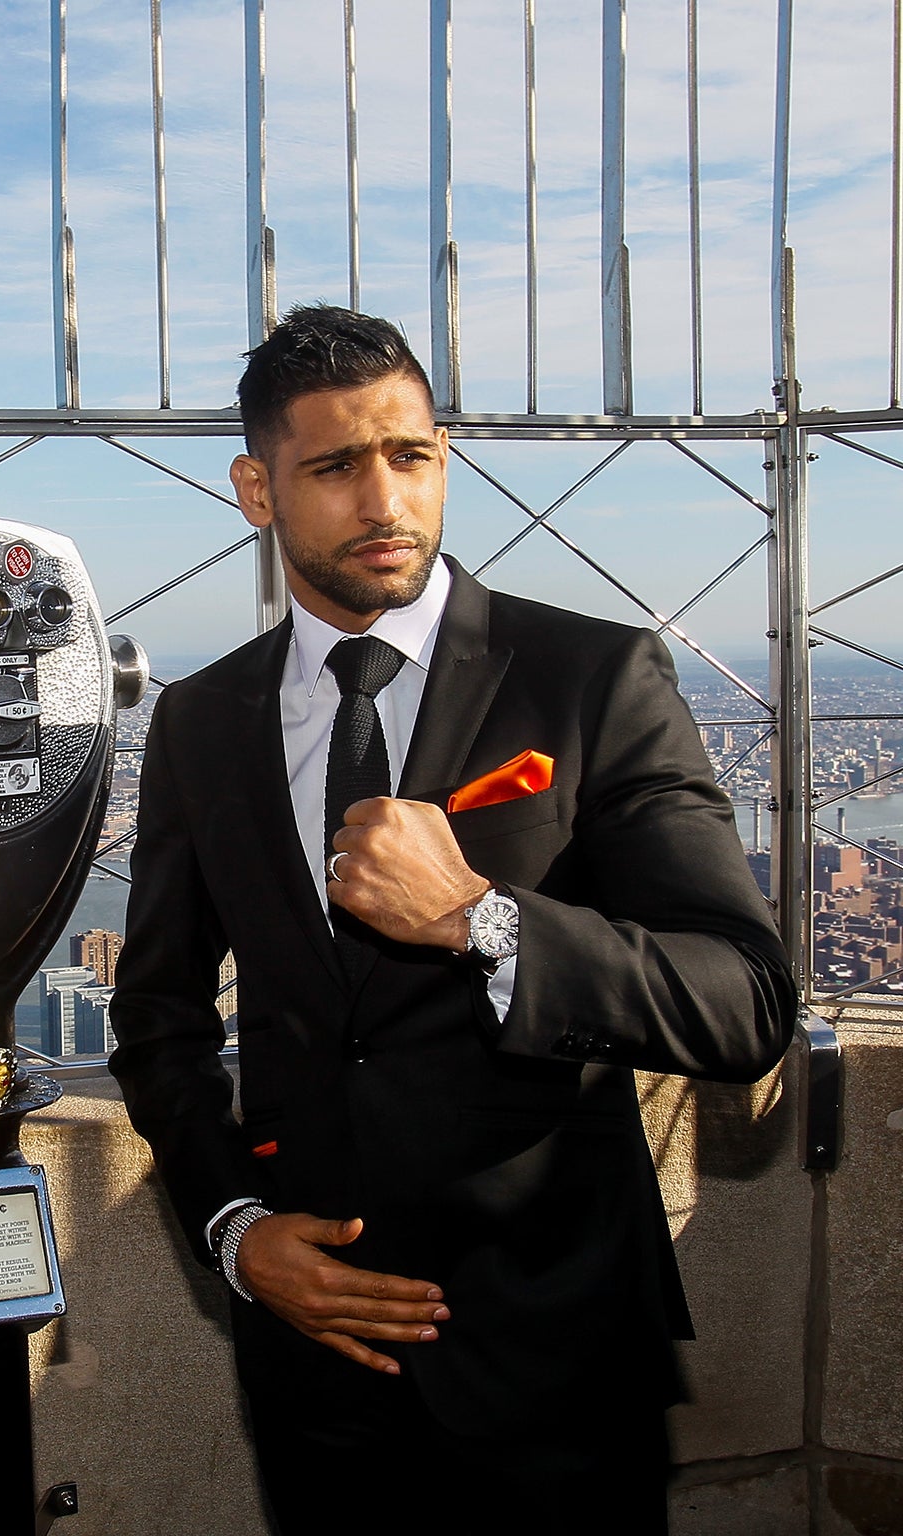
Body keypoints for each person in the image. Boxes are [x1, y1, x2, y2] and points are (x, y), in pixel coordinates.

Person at [108, 305, 796, 1534]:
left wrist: (485, 921)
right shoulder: (198, 719)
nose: (386, 501)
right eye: (333, 467)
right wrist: (232, 1230)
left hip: (553, 1358)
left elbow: (742, 1001)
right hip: (314, 1364)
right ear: (254, 489)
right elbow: (155, 1015)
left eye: (412, 456)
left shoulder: (591, 677)